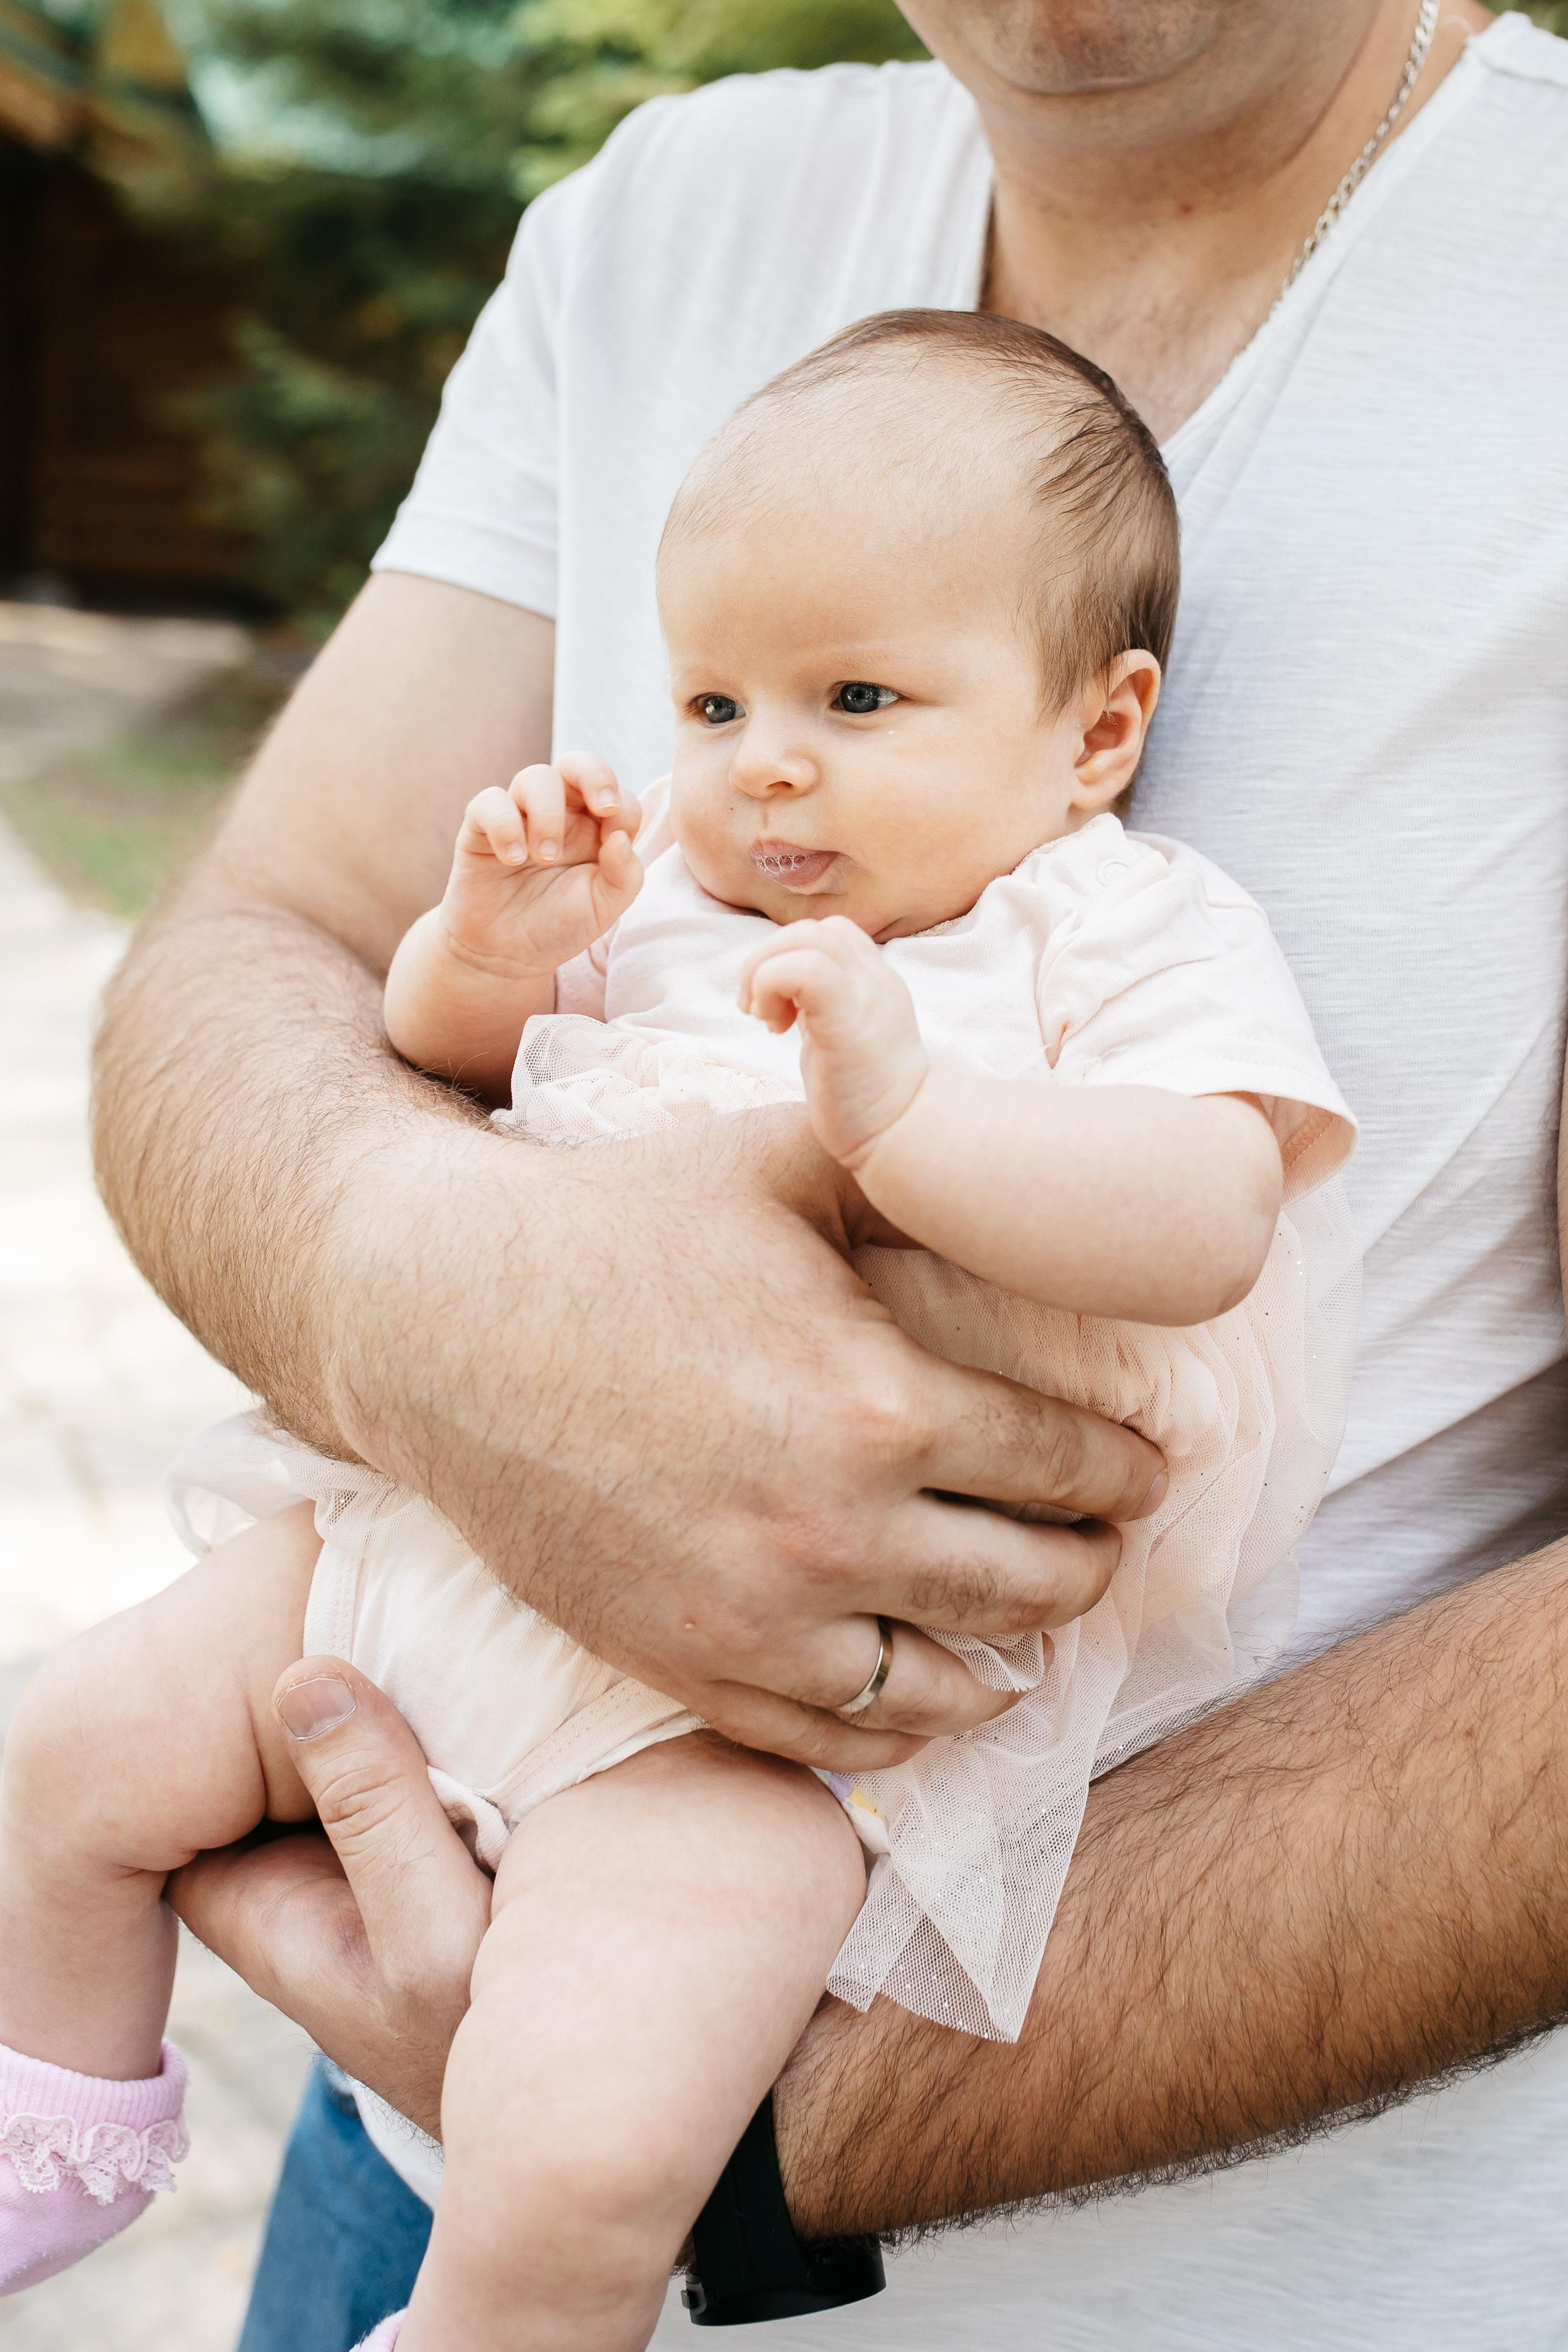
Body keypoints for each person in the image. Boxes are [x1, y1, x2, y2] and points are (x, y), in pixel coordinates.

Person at [83, 0, 1568, 2344]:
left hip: (1232, 2272)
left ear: (1102, 730)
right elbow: (273, 942)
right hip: (403, 2133)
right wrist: (450, 1294)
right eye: (712, 711)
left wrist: (742, 2117)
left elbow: (1208, 1193)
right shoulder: (674, 216)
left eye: (855, 707)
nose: (760, 774)